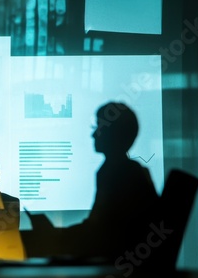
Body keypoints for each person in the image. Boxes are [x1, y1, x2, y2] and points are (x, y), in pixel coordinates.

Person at [26, 102, 159, 260]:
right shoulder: (127, 170)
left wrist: (58, 236)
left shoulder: (117, 173)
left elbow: (99, 232)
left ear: (114, 133)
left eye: (99, 128)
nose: (94, 135)